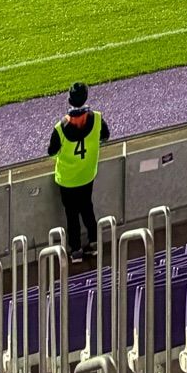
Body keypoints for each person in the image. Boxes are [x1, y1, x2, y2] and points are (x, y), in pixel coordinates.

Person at [48, 83, 110, 262]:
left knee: (71, 214)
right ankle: (94, 242)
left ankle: (75, 250)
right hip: (87, 174)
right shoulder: (97, 118)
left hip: (67, 179)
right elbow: (105, 136)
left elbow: (52, 152)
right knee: (87, 208)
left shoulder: (61, 127)